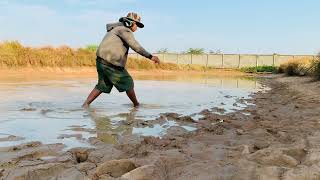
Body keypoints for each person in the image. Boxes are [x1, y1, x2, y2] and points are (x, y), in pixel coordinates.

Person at [82, 12, 160, 108]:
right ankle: (136, 105)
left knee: (102, 85)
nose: (137, 28)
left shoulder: (115, 30)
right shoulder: (124, 30)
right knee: (128, 82)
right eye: (137, 24)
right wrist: (150, 56)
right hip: (111, 63)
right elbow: (135, 46)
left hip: (101, 62)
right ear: (129, 23)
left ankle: (85, 105)